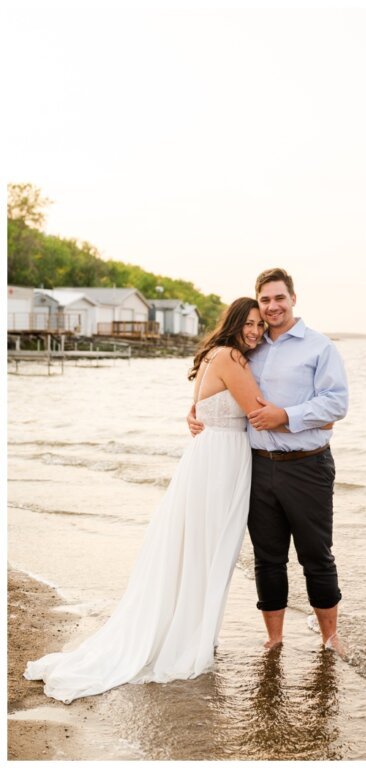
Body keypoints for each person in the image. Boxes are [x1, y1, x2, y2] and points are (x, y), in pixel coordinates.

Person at [25, 298, 270, 703]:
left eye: (260, 326)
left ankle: (195, 633)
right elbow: (257, 410)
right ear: (233, 323)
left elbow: (205, 409)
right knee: (210, 552)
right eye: (250, 323)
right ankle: (190, 639)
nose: (256, 331)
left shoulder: (213, 355)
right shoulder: (230, 357)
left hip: (211, 459)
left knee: (202, 551)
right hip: (220, 463)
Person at [189, 268, 348, 655]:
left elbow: (336, 404)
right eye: (265, 300)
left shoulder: (319, 347)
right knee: (268, 557)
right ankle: (274, 640)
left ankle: (331, 637)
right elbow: (219, 388)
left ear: (293, 298)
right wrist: (197, 413)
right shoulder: (249, 346)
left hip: (307, 465)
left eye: (279, 298)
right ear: (257, 302)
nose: (272, 307)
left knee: (316, 554)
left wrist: (287, 416)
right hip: (256, 465)